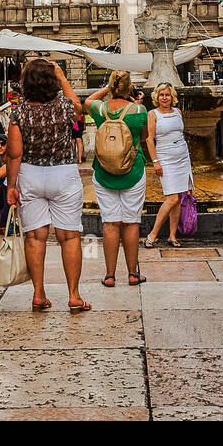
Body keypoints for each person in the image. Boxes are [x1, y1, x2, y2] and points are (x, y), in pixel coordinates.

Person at [7, 59, 90, 311]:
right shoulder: (64, 107)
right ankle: (74, 295)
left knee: (35, 237)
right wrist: (63, 77)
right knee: (69, 235)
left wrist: (11, 185)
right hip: (63, 173)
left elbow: (14, 154)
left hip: (31, 174)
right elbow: (79, 106)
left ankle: (39, 293)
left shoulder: (19, 112)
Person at [87, 71, 149, 287]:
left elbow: (88, 101)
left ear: (112, 87)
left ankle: (110, 276)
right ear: (129, 87)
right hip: (133, 172)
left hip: (103, 172)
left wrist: (108, 89)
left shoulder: (99, 109)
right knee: (131, 223)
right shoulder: (140, 110)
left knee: (110, 223)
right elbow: (144, 137)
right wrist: (134, 101)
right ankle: (133, 274)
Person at [143, 82, 192, 249]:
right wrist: (155, 161)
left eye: (168, 95)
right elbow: (149, 139)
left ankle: (172, 235)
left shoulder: (178, 112)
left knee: (178, 198)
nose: (165, 98)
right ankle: (153, 234)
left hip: (182, 156)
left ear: (172, 97)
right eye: (162, 95)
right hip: (165, 157)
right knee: (171, 198)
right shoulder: (153, 114)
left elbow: (180, 133)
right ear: (157, 97)